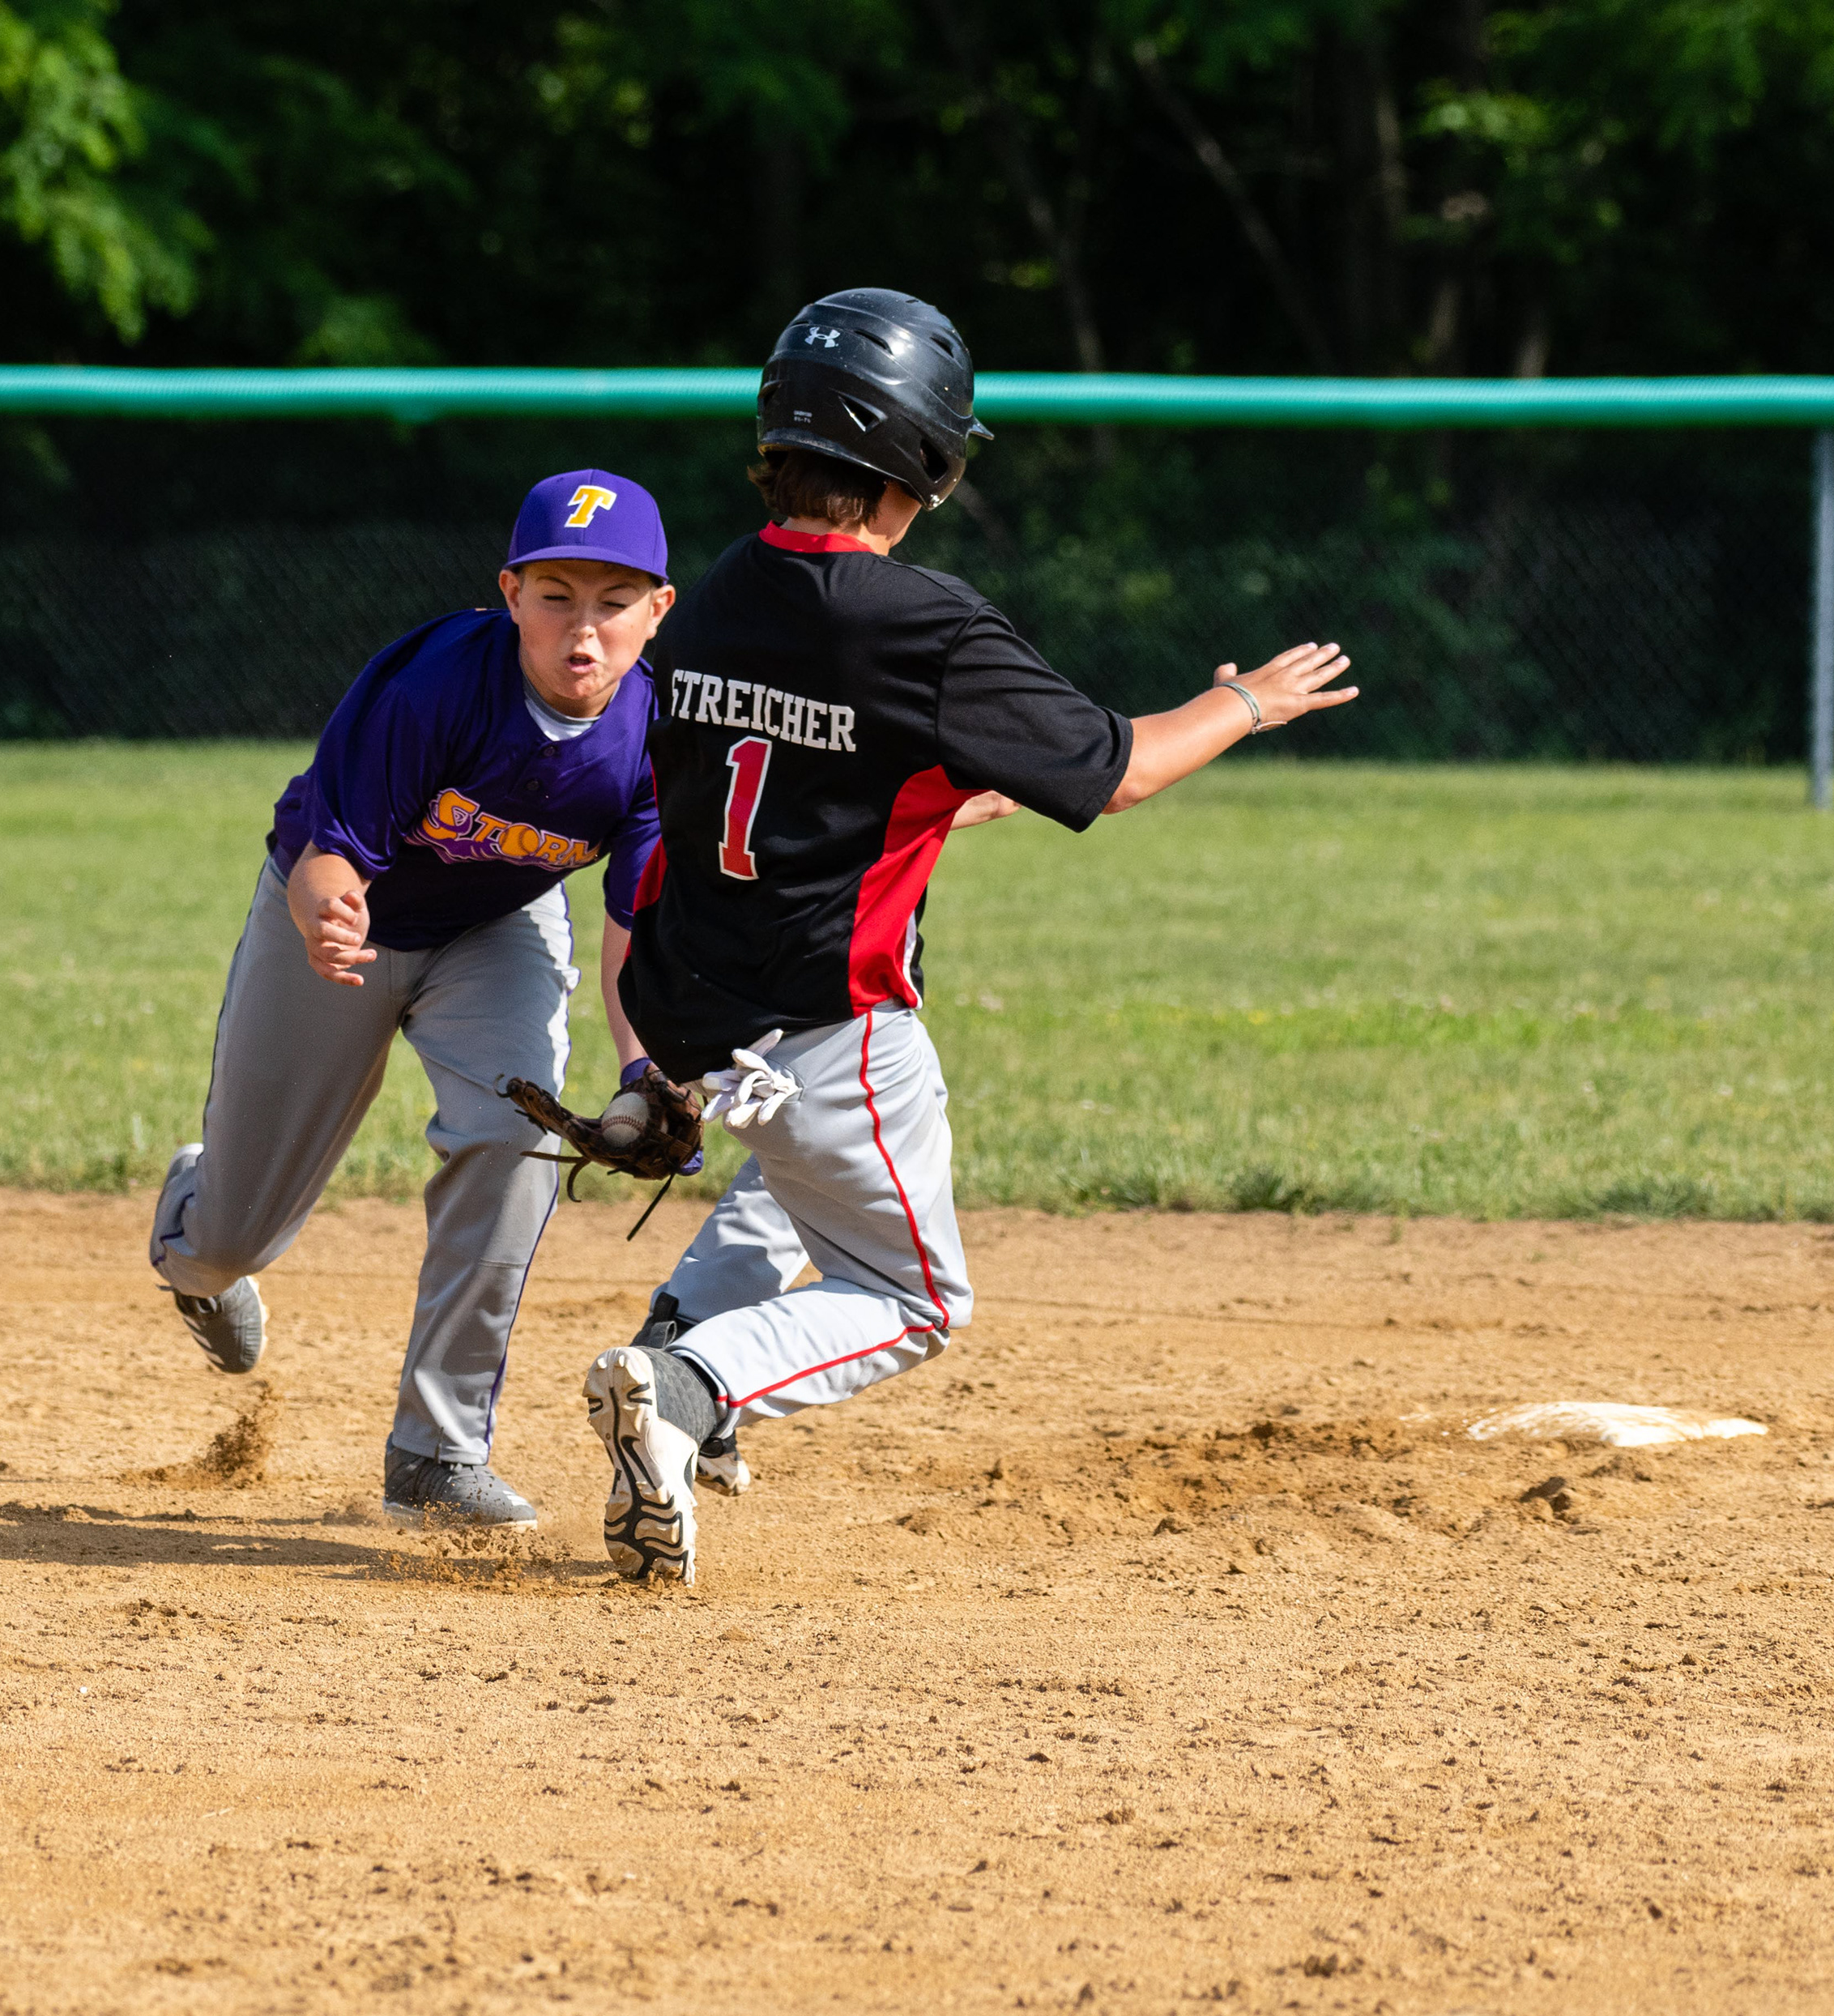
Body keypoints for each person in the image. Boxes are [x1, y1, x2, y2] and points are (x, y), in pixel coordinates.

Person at [576, 287, 1358, 1585]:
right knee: (913, 1299)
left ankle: (681, 1335)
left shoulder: (712, 594)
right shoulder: (920, 623)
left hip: (694, 1004)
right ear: (923, 459)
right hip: (830, 1029)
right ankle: (692, 1386)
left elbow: (776, 771)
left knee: (798, 1182)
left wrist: (931, 793)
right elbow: (1119, 768)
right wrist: (1246, 703)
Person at [148, 469, 677, 1532]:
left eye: (614, 600)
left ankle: (436, 1455)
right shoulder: (436, 683)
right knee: (233, 1240)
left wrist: (644, 1069)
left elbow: (635, 929)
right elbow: (328, 852)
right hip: (342, 924)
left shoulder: (655, 737)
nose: (583, 627)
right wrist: (327, 910)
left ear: (658, 610)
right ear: (511, 593)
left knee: (514, 1137)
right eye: (556, 595)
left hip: (499, 928)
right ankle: (195, 1237)